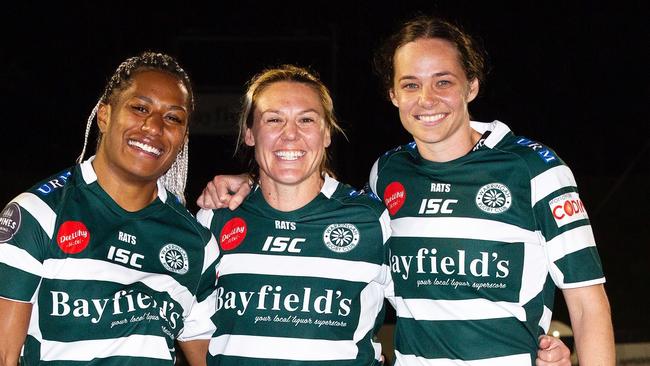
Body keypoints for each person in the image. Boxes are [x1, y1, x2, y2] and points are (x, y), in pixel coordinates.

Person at [197, 15, 611, 366]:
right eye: (411, 84)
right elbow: (309, 200)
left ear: (472, 86)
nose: (426, 99)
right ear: (393, 94)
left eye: (443, 82)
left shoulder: (535, 169)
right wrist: (252, 181)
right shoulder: (388, 173)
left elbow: (588, 306)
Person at [0, 52, 218, 365]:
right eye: (140, 108)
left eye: (173, 118)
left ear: (183, 137)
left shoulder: (197, 243)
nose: (154, 126)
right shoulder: (36, 215)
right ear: (105, 115)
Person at [178, 65, 392, 365]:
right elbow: (191, 324)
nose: (290, 134)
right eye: (274, 119)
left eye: (306, 119)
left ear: (327, 133)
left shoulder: (372, 220)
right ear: (249, 133)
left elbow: (425, 309)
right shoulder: (215, 218)